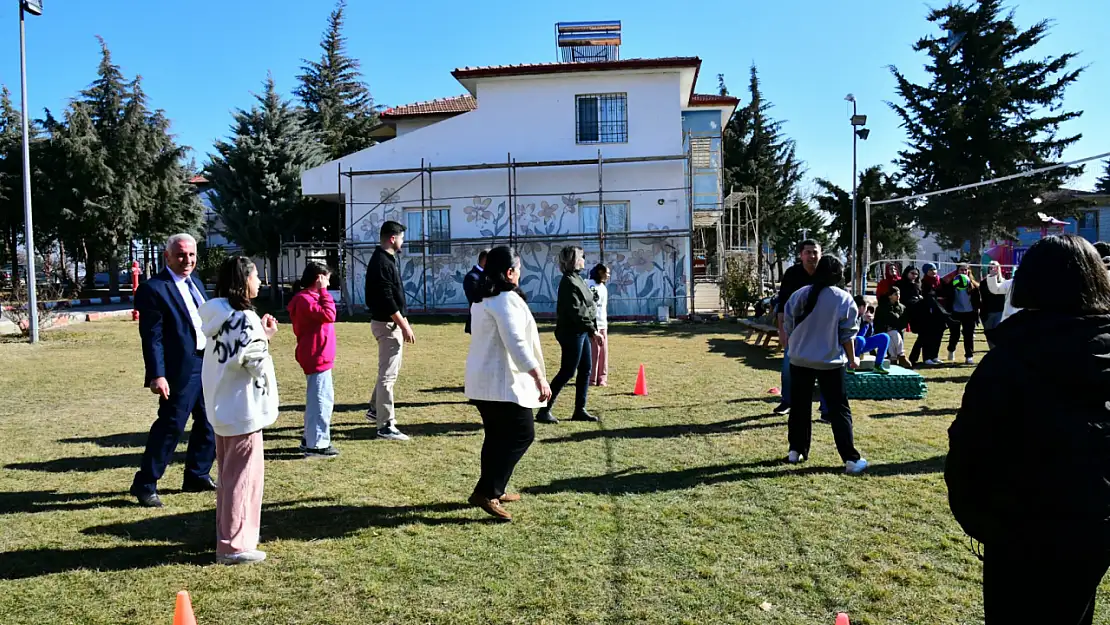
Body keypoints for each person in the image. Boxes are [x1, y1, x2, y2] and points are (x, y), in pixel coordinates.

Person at [946, 234, 1110, 624]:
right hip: (1092, 527)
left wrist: (985, 522)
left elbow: (970, 449)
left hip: (1024, 529)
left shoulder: (1011, 360)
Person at [198, 257, 279, 565]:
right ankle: (234, 545)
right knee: (243, 479)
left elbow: (233, 355)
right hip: (243, 409)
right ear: (245, 280)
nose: (259, 282)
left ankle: (228, 536)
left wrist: (261, 336)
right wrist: (265, 339)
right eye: (256, 276)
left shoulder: (219, 316)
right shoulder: (244, 319)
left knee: (229, 477)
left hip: (222, 408)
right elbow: (254, 362)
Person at [464, 246, 551, 521]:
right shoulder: (504, 300)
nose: (521, 274)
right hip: (500, 384)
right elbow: (517, 343)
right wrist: (538, 376)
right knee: (522, 434)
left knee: (496, 437)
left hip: (485, 382)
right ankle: (487, 491)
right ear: (509, 272)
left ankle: (493, 488)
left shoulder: (482, 299)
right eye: (519, 270)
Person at [129, 233, 216, 508]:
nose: (187, 260)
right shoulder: (153, 289)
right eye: (180, 255)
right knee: (171, 427)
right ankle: (145, 484)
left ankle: (197, 474)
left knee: (210, 422)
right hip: (180, 370)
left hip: (208, 363)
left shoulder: (197, 283)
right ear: (167, 256)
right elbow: (151, 337)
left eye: (191, 254)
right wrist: (157, 374)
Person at [781, 256, 868, 474]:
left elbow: (789, 325)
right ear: (839, 274)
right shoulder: (843, 298)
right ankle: (850, 458)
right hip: (829, 361)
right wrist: (852, 358)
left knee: (799, 407)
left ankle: (796, 451)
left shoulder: (800, 294)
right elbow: (847, 334)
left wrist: (798, 344)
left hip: (800, 358)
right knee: (839, 409)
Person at [363, 221, 415, 441]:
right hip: (388, 325)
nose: (403, 241)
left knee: (387, 370)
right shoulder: (382, 262)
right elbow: (386, 298)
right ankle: (385, 425)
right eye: (401, 237)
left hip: (387, 323)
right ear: (392, 238)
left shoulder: (385, 260)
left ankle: (375, 409)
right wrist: (404, 325)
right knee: (388, 376)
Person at [535, 246, 598, 424]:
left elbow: (587, 305)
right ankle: (543, 411)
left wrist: (592, 327)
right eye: (581, 257)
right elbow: (576, 311)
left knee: (585, 369)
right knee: (567, 371)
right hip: (571, 332)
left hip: (581, 331)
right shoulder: (568, 282)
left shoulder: (578, 278)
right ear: (573, 260)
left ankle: (580, 409)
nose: (584, 259)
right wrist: (592, 329)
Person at [288, 261, 339, 458]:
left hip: (319, 355)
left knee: (318, 399)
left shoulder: (309, 298)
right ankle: (316, 443)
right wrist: (324, 292)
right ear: (318, 278)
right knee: (320, 400)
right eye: (326, 278)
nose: (329, 282)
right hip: (316, 355)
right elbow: (329, 314)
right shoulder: (305, 299)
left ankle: (310, 438)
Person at [773, 240, 822, 416]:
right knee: (788, 367)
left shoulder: (826, 273)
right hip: (795, 329)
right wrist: (782, 331)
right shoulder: (792, 274)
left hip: (822, 331)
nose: (812, 256)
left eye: (815, 252)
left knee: (825, 370)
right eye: (807, 252)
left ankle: (826, 408)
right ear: (801, 255)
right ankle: (787, 401)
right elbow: (782, 305)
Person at [942, 263, 981, 364]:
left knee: (968, 335)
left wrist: (976, 311)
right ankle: (951, 350)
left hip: (969, 313)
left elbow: (978, 301)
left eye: (965, 270)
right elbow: (945, 295)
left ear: (968, 272)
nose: (963, 272)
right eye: (961, 270)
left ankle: (969, 356)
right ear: (957, 271)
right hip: (956, 312)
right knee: (955, 334)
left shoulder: (974, 286)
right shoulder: (952, 284)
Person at [873, 286, 913, 368]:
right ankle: (901, 355)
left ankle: (893, 358)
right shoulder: (882, 308)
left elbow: (904, 321)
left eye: (899, 294)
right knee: (891, 335)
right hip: (883, 330)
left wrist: (896, 327)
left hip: (897, 330)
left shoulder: (902, 307)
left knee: (894, 335)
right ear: (890, 296)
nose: (898, 296)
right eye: (895, 294)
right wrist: (887, 328)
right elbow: (878, 322)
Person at [852, 295, 890, 374]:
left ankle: (878, 365)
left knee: (884, 337)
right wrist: (865, 323)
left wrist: (869, 323)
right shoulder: (851, 317)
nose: (867, 310)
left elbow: (869, 335)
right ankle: (852, 364)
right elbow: (856, 336)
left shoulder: (863, 317)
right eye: (866, 307)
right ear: (861, 307)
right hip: (850, 346)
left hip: (862, 344)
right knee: (860, 339)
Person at [587, 263, 610, 387]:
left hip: (602, 324)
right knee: (594, 352)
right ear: (600, 272)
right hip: (591, 324)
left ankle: (602, 378)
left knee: (603, 352)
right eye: (607, 273)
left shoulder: (603, 288)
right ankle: (592, 379)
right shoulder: (587, 284)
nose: (608, 275)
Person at [979, 261, 1007, 348]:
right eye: (991, 268)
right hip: (987, 313)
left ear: (999, 269)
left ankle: (997, 352)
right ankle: (993, 351)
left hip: (1000, 312)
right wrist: (991, 278)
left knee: (998, 334)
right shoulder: (983, 283)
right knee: (989, 335)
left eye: (995, 268)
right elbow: (985, 294)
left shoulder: (1004, 282)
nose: (993, 270)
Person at [462, 250, 488, 334]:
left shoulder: (490, 275)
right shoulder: (472, 277)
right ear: (485, 260)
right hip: (478, 320)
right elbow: (475, 299)